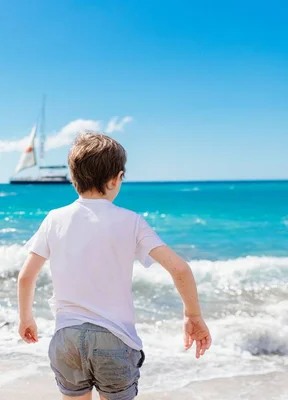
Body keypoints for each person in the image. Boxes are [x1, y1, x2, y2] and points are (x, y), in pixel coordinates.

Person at [17, 133, 212, 400]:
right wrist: (193, 315)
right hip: (114, 338)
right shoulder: (131, 221)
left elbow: (26, 277)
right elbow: (180, 269)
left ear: (74, 179)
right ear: (115, 179)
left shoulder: (54, 219)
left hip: (67, 337)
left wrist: (26, 318)